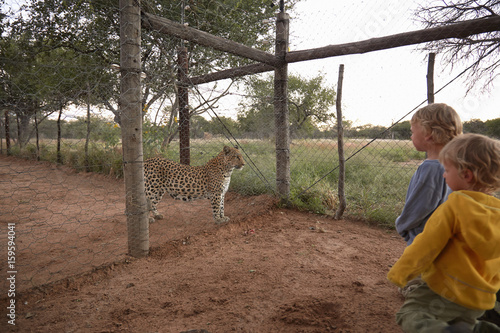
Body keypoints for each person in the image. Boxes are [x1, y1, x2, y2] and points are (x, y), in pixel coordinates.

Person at [387, 133, 500, 333]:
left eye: (447, 170)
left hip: (446, 288)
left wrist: (401, 273)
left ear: (466, 175)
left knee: (410, 313)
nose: (443, 175)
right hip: (481, 296)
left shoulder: (455, 205)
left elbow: (427, 244)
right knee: (465, 323)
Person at [396, 103, 462, 246]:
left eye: (413, 132)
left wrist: (402, 225)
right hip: (445, 238)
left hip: (424, 241)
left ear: (428, 134)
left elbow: (419, 207)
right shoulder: (454, 165)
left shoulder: (431, 168)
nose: (411, 136)